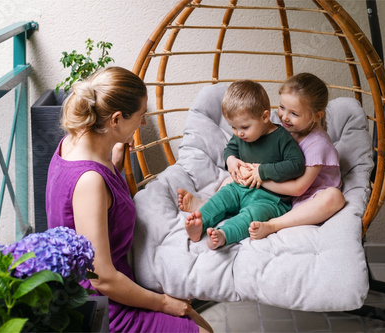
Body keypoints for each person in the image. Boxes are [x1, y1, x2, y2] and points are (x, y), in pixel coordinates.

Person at [45, 66, 213, 333]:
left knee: (195, 318)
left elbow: (93, 207)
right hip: (100, 305)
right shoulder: (90, 181)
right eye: (140, 116)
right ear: (115, 120)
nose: (143, 124)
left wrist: (115, 163)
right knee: (199, 327)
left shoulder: (73, 143)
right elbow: (101, 278)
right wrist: (163, 303)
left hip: (114, 283)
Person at [179, 73, 345, 240]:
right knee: (231, 182)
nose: (284, 117)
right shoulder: (288, 130)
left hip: (306, 197)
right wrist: (234, 163)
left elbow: (298, 188)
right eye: (281, 107)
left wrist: (259, 177)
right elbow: (237, 148)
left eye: (294, 113)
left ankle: (274, 224)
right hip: (278, 187)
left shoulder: (318, 144)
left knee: (334, 198)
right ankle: (207, 208)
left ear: (316, 116)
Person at [185, 80, 305, 250]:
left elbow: (297, 164)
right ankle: (200, 223)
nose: (239, 133)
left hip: (271, 200)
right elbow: (230, 149)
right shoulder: (242, 136)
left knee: (251, 215)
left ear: (264, 117)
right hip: (241, 188)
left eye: (244, 127)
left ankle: (223, 234)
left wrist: (262, 171)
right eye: (233, 127)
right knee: (222, 197)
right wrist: (231, 161)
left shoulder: (281, 138)